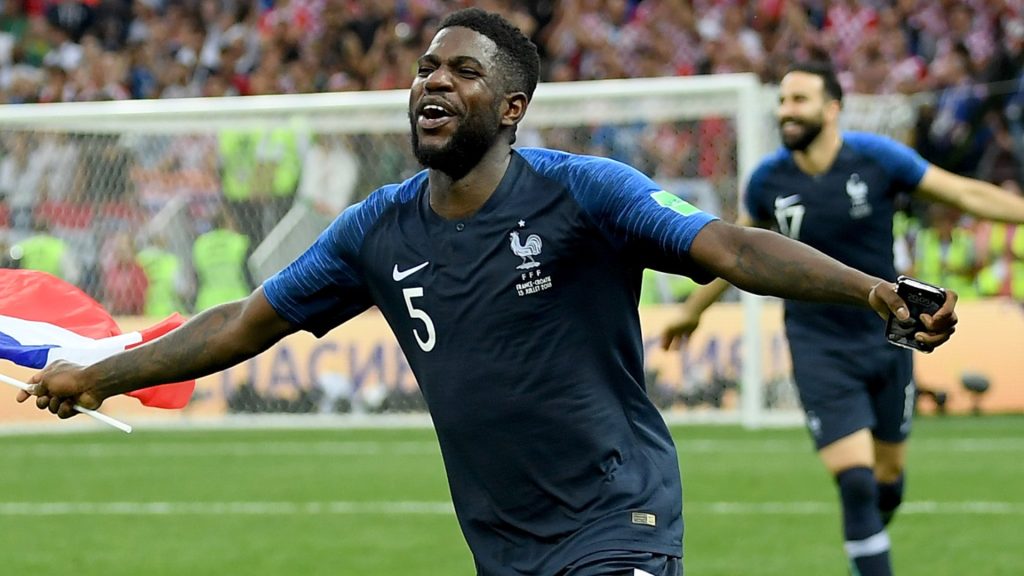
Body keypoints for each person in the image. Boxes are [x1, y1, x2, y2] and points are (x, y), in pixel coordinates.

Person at [17, 12, 957, 576]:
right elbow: (245, 323)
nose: (434, 79)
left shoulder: (588, 191)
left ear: (512, 107)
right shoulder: (374, 230)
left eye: (463, 71)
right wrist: (103, 376)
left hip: (616, 514)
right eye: (427, 67)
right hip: (502, 539)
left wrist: (875, 292)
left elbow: (733, 248)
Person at [661, 60, 1024, 576]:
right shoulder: (768, 180)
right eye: (782, 101)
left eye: (799, 100)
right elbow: (740, 253)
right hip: (817, 344)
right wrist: (692, 310)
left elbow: (965, 193)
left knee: (887, 480)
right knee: (855, 482)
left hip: (890, 338)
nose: (787, 111)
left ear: (832, 109)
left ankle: (872, 529)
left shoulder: (876, 159)